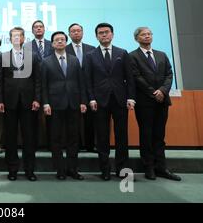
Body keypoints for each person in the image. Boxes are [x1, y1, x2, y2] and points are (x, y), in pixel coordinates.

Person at [85, 23, 135, 180]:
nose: (104, 35)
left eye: (106, 32)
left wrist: (131, 97)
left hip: (120, 100)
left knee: (122, 136)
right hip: (99, 101)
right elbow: (88, 80)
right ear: (96, 36)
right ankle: (105, 170)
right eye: (100, 33)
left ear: (112, 34)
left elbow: (130, 78)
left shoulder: (122, 53)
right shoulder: (90, 55)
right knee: (102, 136)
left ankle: (122, 169)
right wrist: (91, 98)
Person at [130, 27, 181, 181]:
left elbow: (169, 74)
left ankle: (162, 167)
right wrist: (154, 92)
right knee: (146, 135)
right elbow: (136, 77)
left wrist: (163, 91)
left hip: (162, 101)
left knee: (159, 135)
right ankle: (149, 167)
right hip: (145, 102)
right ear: (137, 38)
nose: (147, 36)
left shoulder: (161, 55)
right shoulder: (132, 56)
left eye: (149, 34)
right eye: (143, 34)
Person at [0, 27, 41, 181]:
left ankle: (30, 170)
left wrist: (37, 99)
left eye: (19, 36)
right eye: (13, 36)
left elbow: (37, 80)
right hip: (9, 102)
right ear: (10, 39)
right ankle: (12, 169)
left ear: (23, 38)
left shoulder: (33, 56)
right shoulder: (4, 56)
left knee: (29, 137)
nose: (16, 38)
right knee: (10, 137)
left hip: (29, 103)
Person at [41, 31, 87, 180]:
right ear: (52, 44)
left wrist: (82, 101)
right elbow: (43, 85)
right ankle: (60, 170)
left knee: (73, 138)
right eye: (57, 40)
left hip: (73, 104)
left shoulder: (74, 60)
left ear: (66, 43)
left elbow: (81, 83)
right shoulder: (46, 61)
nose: (60, 42)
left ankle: (72, 169)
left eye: (62, 39)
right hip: (54, 105)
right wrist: (45, 103)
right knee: (56, 138)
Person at [66, 23, 97, 152]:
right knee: (73, 119)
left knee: (90, 118)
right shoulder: (64, 49)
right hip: (71, 89)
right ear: (69, 34)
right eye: (73, 31)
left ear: (83, 33)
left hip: (89, 88)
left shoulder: (92, 48)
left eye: (78, 31)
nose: (76, 33)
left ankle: (90, 145)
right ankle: (76, 145)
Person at [31, 20, 53, 150]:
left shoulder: (53, 44)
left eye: (41, 27)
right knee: (34, 117)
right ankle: (36, 143)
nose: (38, 29)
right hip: (34, 85)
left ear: (44, 29)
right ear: (32, 30)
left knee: (52, 116)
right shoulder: (27, 46)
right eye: (36, 27)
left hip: (51, 84)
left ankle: (51, 144)